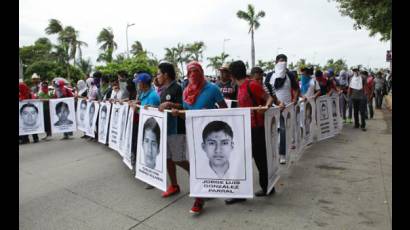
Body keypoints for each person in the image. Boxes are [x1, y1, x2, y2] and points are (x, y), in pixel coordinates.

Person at [227, 60, 281, 205]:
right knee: (240, 160)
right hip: (244, 128)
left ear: (233, 74)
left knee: (260, 160)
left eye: (229, 73)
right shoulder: (240, 87)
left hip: (257, 129)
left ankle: (267, 187)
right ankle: (241, 192)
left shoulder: (252, 84)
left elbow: (268, 98)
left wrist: (266, 107)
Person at [182, 61, 228, 214]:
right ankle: (199, 198)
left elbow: (224, 110)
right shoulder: (186, 91)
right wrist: (179, 113)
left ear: (201, 72)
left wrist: (209, 114)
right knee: (196, 166)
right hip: (193, 134)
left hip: (211, 135)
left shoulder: (212, 88)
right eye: (190, 72)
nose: (192, 75)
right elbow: (185, 113)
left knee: (209, 164)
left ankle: (206, 192)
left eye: (196, 71)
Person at [155, 62, 189, 197]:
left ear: (166, 74)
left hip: (177, 128)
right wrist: (152, 107)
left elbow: (184, 106)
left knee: (177, 158)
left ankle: (197, 177)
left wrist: (170, 104)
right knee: (168, 158)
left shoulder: (178, 88)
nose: (157, 76)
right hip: (166, 128)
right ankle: (174, 186)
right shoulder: (163, 89)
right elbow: (161, 107)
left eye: (158, 73)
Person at [264, 54, 300, 164]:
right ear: (276, 62)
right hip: (273, 108)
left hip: (286, 108)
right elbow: (265, 90)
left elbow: (296, 88)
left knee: (283, 130)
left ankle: (282, 154)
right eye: (280, 61)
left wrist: (294, 99)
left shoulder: (290, 75)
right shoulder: (270, 75)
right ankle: (271, 154)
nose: (282, 63)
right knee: (272, 131)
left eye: (284, 61)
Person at [133, 72, 161, 189]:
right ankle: (145, 174)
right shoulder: (143, 94)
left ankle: (153, 179)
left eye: (138, 83)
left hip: (152, 131)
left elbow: (153, 117)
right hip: (142, 127)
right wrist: (136, 105)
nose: (137, 85)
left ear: (143, 84)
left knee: (153, 154)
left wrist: (139, 110)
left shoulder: (153, 96)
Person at [348, 67, 367, 131]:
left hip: (361, 97)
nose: (355, 72)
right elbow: (350, 88)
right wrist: (349, 96)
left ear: (359, 71)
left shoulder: (363, 77)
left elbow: (365, 86)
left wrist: (365, 94)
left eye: (356, 70)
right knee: (355, 112)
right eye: (354, 71)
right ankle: (356, 124)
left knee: (362, 112)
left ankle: (363, 125)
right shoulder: (351, 78)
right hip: (354, 97)